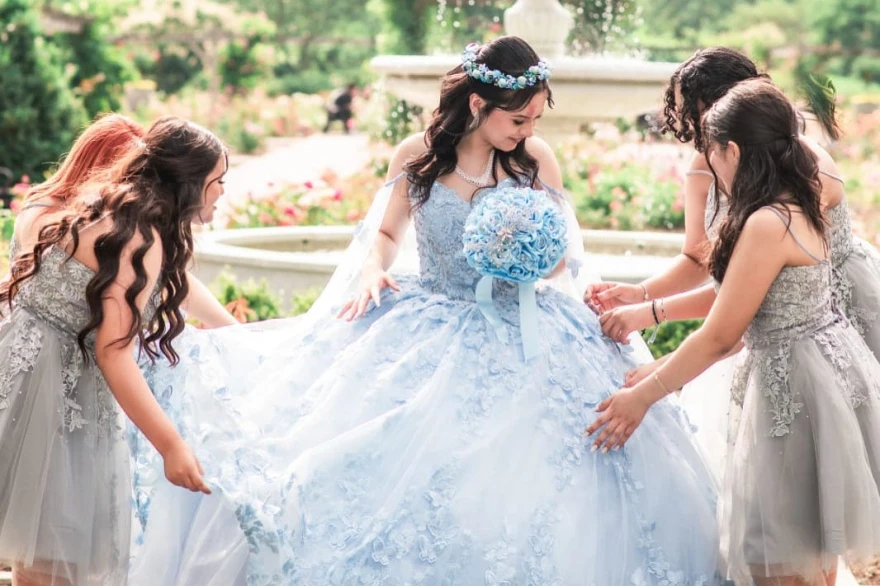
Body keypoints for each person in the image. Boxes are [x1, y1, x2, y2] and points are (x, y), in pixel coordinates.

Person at [129, 36, 721, 585]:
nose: (529, 129)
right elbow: (385, 234)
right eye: (519, 118)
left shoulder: (536, 160)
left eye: (536, 118)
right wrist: (372, 268)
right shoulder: (417, 155)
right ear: (475, 103)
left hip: (530, 327)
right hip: (433, 318)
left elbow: (563, 256)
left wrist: (540, 265)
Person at [587, 78, 880, 586]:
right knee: (808, 552)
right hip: (823, 368)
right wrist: (648, 319)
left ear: (734, 150)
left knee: (778, 555)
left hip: (797, 387)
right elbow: (741, 299)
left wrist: (645, 396)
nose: (707, 161)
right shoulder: (798, 198)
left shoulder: (769, 221)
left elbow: (722, 333)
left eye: (711, 149)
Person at [0, 116, 225, 586]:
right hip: (49, 387)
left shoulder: (110, 208)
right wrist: (172, 446)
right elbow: (114, 353)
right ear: (188, 183)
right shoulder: (139, 238)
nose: (223, 192)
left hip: (28, 364)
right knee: (51, 561)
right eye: (217, 181)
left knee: (40, 554)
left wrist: (231, 328)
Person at [7, 113, 237, 330]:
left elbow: (174, 278)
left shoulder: (102, 224)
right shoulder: (50, 217)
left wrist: (236, 332)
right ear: (104, 164)